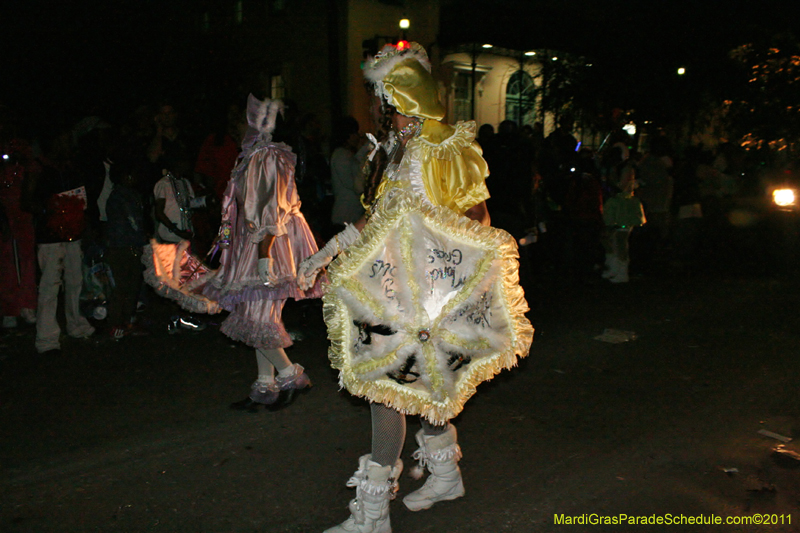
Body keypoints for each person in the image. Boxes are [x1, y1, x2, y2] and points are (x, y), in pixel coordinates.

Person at [297, 43, 533, 533]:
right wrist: (325, 252)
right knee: (422, 390)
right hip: (396, 292)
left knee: (388, 390)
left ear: (398, 97)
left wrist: (451, 284)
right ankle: (445, 476)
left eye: (378, 97)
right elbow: (377, 218)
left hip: (429, 299)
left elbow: (477, 218)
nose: (373, 107)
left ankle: (373, 514)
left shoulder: (440, 148)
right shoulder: (398, 150)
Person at [144, 94, 323, 410]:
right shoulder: (256, 155)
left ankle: (290, 375)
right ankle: (266, 387)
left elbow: (271, 207)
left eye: (241, 120)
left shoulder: (267, 156)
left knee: (255, 317)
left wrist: (265, 252)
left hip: (271, 245)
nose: (236, 126)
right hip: (257, 244)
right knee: (258, 316)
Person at [30, 131, 96, 353]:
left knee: (75, 282)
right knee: (50, 287)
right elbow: (27, 201)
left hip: (72, 234)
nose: (68, 144)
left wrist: (78, 221)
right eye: (64, 140)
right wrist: (54, 211)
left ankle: (76, 324)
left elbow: (82, 199)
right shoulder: (39, 168)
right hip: (50, 237)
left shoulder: (69, 168)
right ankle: (46, 338)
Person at [104, 150, 149, 340]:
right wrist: (136, 243)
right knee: (120, 289)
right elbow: (125, 226)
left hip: (131, 247)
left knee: (132, 288)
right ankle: (116, 325)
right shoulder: (118, 198)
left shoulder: (131, 195)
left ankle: (128, 322)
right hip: (121, 249)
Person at [329, 116, 367, 231]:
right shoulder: (341, 155)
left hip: (351, 215)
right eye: (354, 133)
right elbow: (353, 184)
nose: (358, 137)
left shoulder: (347, 154)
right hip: (345, 216)